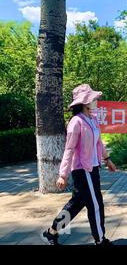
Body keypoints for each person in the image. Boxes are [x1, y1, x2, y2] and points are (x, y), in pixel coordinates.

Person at [41, 84, 117, 245]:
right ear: (84, 102)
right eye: (93, 99)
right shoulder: (76, 122)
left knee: (76, 204)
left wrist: (106, 159)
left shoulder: (93, 119)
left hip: (93, 168)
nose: (96, 101)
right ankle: (100, 240)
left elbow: (99, 143)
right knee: (96, 204)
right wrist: (63, 174)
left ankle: (51, 232)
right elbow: (69, 149)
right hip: (83, 170)